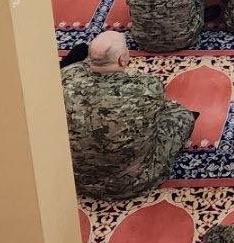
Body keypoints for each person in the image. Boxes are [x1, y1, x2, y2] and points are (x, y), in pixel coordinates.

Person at [60, 30, 196, 199]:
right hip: (133, 183)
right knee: (181, 115)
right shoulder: (146, 86)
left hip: (78, 181)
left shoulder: (66, 78)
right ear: (122, 59)